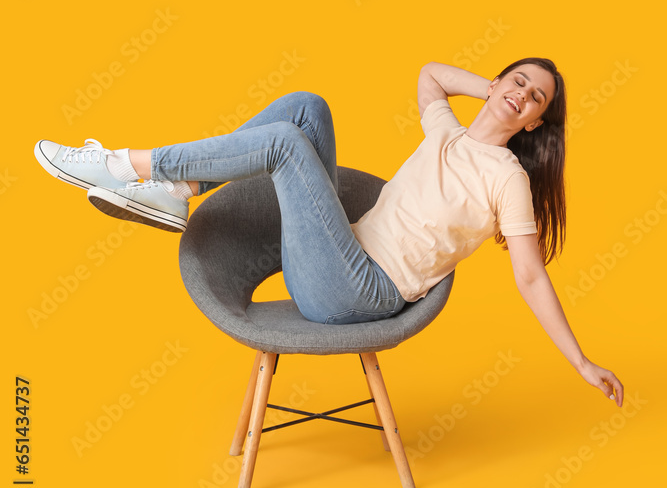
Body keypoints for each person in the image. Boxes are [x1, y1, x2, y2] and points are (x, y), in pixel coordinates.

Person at [34, 57, 624, 407]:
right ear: (497, 83)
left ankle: (126, 166)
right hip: (332, 255)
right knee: (306, 107)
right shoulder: (447, 132)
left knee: (287, 144)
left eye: (534, 97)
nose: (520, 95)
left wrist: (580, 363)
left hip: (361, 293)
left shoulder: (509, 179)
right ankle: (178, 193)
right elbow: (431, 75)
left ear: (537, 121)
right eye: (516, 81)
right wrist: (491, 87)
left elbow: (528, 275)